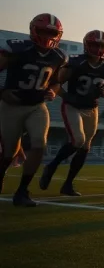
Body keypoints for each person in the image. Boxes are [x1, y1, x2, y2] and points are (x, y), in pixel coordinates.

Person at [0, 14, 67, 206]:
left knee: (39, 145)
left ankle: (22, 191)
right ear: (33, 30)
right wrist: (2, 92)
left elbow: (56, 83)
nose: (48, 36)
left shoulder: (58, 56)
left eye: (52, 32)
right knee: (8, 154)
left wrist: (53, 92)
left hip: (37, 106)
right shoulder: (17, 48)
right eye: (44, 31)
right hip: (12, 105)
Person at [41, 31, 104, 196]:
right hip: (73, 106)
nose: (98, 49)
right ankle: (52, 165)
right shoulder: (76, 62)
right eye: (95, 45)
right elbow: (57, 82)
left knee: (85, 147)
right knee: (78, 140)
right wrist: (66, 96)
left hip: (92, 108)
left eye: (101, 45)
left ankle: (68, 184)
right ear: (86, 45)